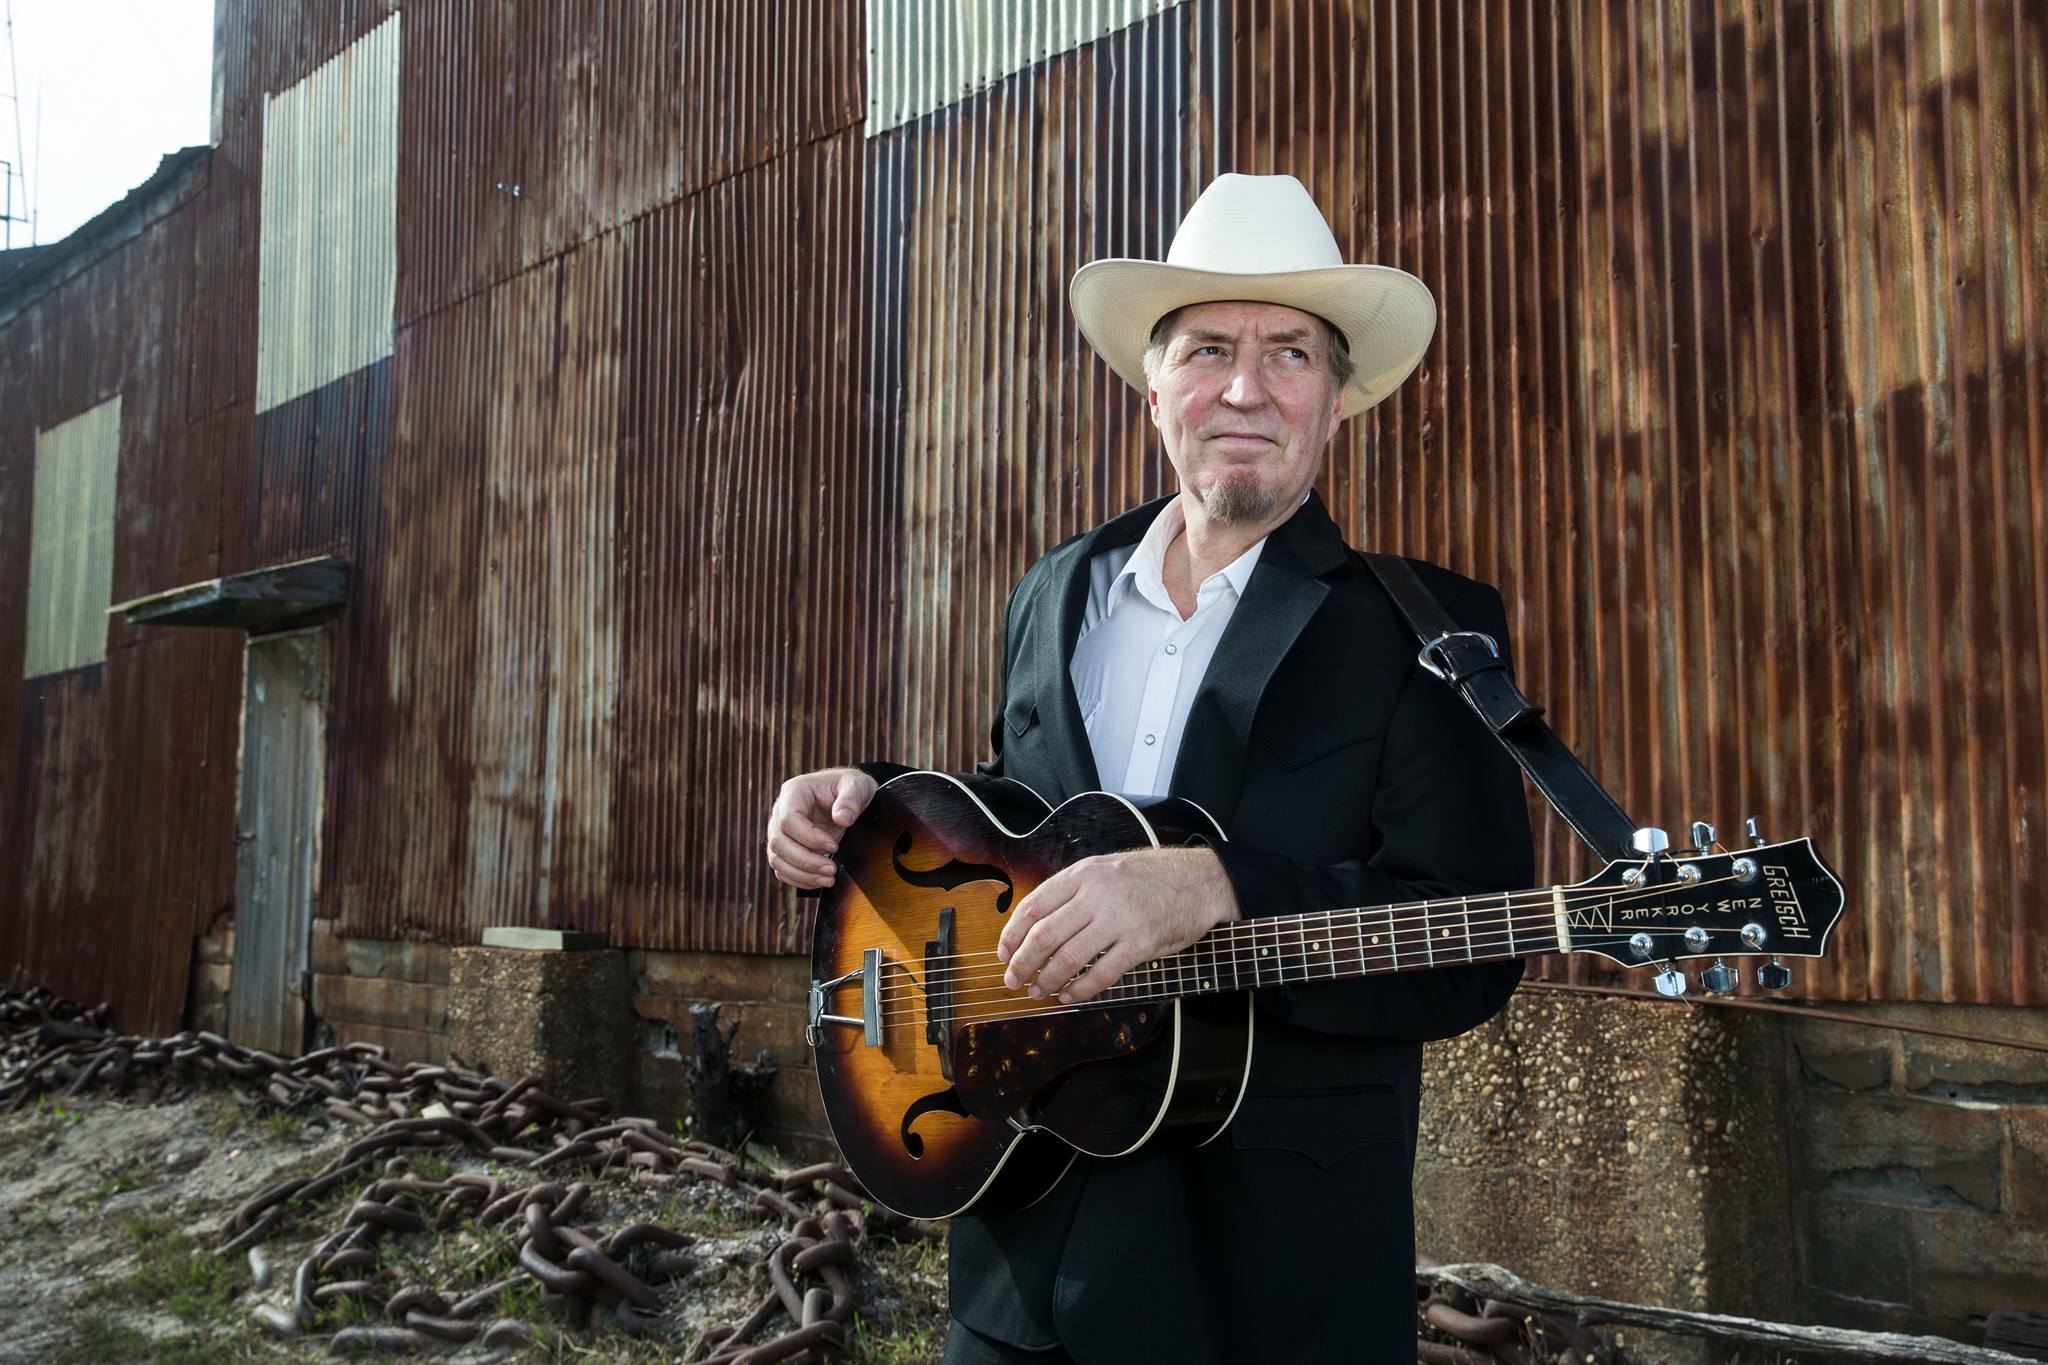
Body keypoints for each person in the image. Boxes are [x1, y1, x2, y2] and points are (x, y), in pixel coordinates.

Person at [766, 173, 1533, 1364]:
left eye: (1288, 354)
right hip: (1016, 1258)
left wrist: (1219, 885)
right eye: (1206, 350)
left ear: (1336, 400)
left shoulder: (1419, 630)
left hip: (1270, 1294)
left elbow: (1473, 945)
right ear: (1152, 384)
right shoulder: (1055, 588)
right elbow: (1010, 817)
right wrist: (861, 802)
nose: (1244, 388)